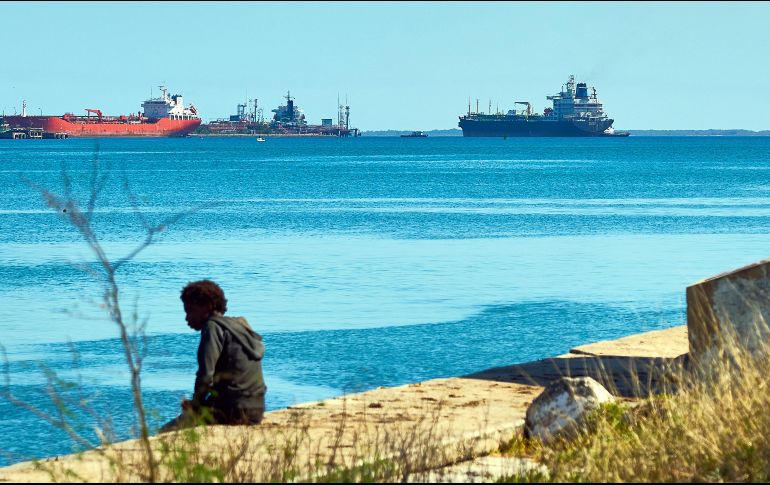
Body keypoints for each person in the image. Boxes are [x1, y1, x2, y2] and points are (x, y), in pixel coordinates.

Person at [160, 280, 266, 432]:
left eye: (191, 310)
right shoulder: (240, 325)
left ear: (208, 307)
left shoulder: (213, 327)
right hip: (256, 409)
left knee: (166, 431)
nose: (186, 317)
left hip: (233, 411)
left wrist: (195, 406)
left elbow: (206, 376)